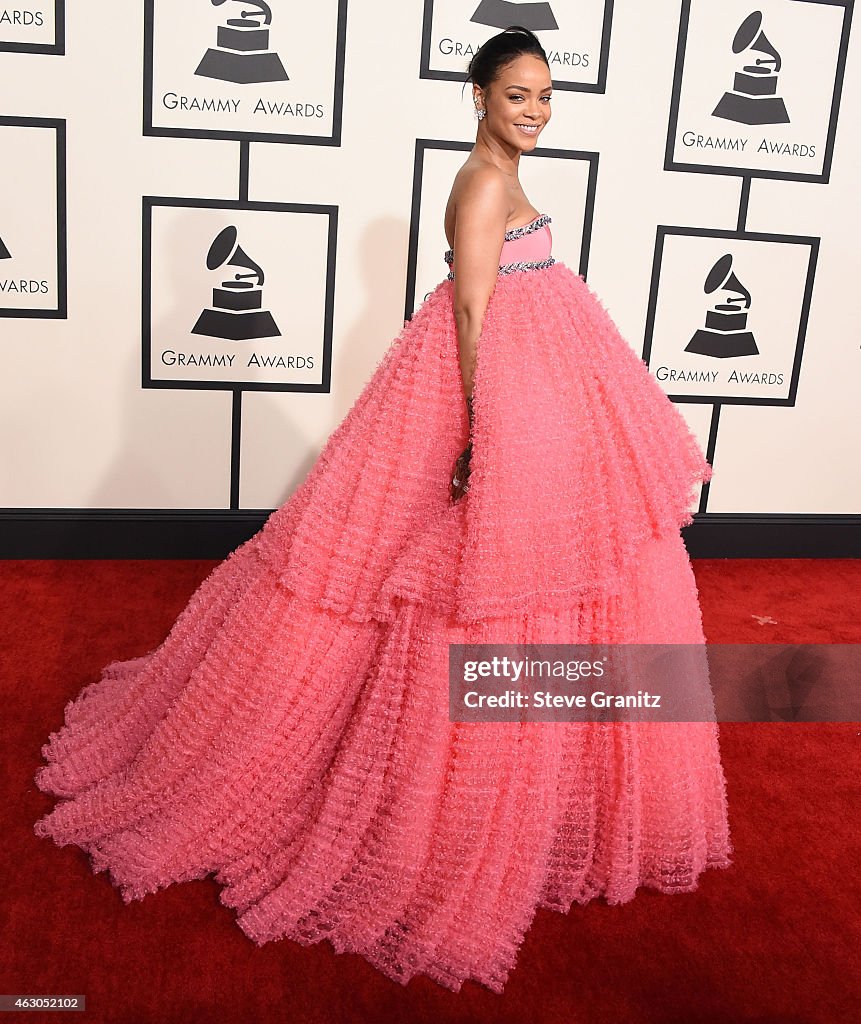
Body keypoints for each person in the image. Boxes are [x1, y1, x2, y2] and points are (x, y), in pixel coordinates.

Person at [33, 26, 732, 996]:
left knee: (564, 578)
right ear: (477, 95)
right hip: (494, 398)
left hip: (547, 383)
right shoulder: (480, 188)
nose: (533, 112)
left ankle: (552, 781)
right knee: (459, 587)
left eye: (545, 95)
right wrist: (484, 442)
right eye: (516, 95)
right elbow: (473, 316)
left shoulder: (503, 174)